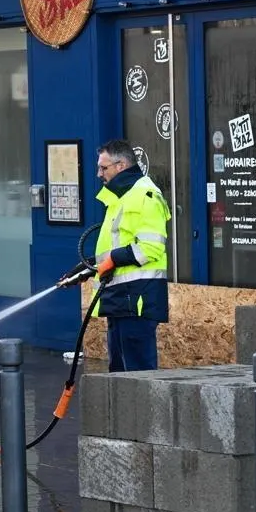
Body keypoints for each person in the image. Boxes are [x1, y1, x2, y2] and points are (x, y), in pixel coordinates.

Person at [58, 140, 170, 371]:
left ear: (121, 166)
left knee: (137, 374)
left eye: (103, 168)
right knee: (119, 373)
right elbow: (118, 247)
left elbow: (150, 248)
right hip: (120, 299)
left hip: (137, 300)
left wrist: (111, 260)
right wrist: (86, 268)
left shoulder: (145, 195)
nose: (99, 174)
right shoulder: (121, 198)